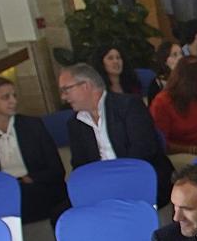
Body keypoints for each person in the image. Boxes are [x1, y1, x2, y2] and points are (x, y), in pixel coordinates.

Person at [60, 61, 173, 204]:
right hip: (102, 185)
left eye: (66, 90)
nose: (63, 97)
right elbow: (80, 166)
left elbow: (143, 152)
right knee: (61, 212)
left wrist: (114, 181)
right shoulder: (75, 123)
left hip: (138, 178)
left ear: (85, 86)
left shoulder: (129, 106)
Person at [0, 74, 67, 222]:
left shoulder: (33, 126)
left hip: (35, 187)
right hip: (0, 193)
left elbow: (56, 169)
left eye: (14, 96)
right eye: (6, 97)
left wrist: (28, 179)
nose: (13, 101)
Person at [151, 56, 197, 164]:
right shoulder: (162, 102)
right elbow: (162, 144)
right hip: (176, 155)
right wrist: (195, 150)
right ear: (188, 79)